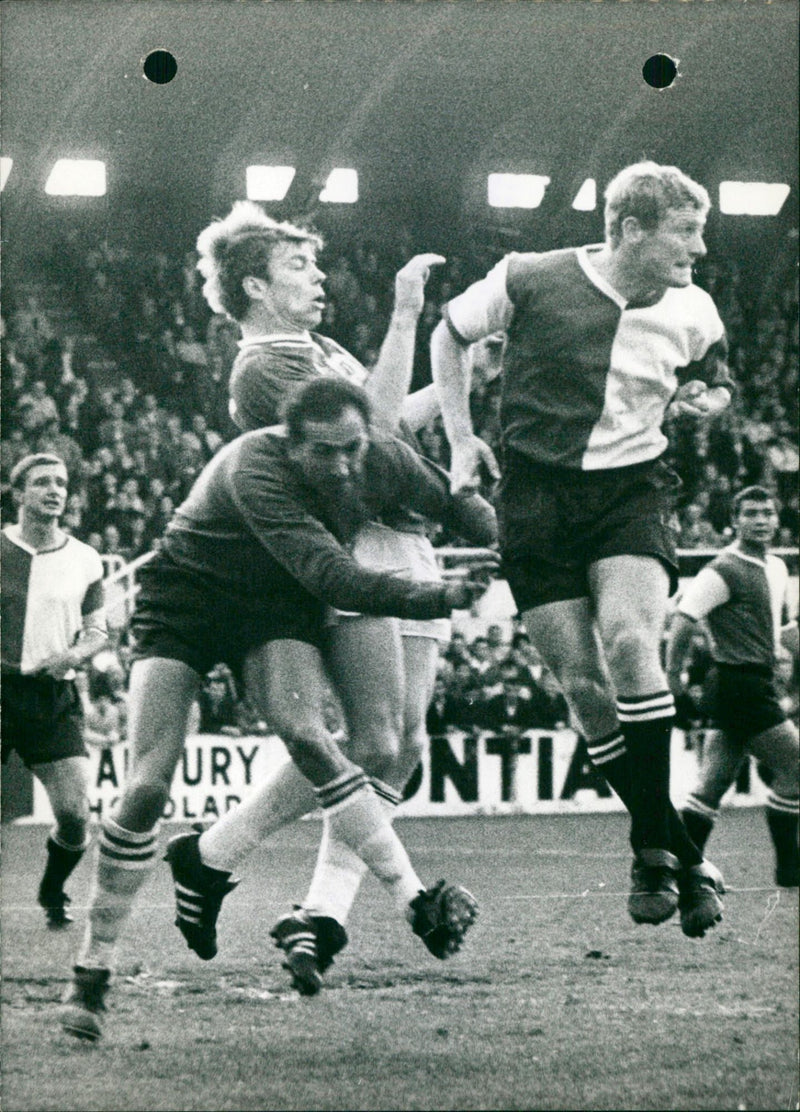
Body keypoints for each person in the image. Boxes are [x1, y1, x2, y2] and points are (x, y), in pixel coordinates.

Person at [60, 377, 495, 1040]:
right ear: (292, 446)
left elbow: (459, 508)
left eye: (353, 447)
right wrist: (442, 596)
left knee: (310, 736)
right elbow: (334, 578)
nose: (346, 464)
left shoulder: (383, 456)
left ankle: (412, 902)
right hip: (187, 599)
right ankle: (92, 970)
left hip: (272, 610)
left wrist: (520, 548)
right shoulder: (254, 466)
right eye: (326, 452)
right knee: (147, 785)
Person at [431, 161, 735, 937]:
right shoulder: (530, 276)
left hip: (630, 494)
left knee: (635, 644)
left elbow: (718, 379)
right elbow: (450, 331)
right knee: (584, 687)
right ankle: (683, 853)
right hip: (533, 501)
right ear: (632, 228)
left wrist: (707, 399)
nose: (698, 250)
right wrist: (463, 440)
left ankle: (648, 848)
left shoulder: (694, 309)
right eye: (686, 232)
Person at [186, 201, 462, 991]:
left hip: (404, 533)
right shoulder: (265, 365)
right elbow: (369, 430)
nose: (319, 278)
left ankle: (314, 914)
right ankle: (218, 857)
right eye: (299, 267)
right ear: (253, 286)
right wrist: (408, 314)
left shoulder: (322, 349)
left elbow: (398, 424)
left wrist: (461, 376)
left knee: (401, 745)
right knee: (371, 742)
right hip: (356, 541)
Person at [666, 486, 799, 888]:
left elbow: (778, 632)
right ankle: (790, 869)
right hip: (738, 682)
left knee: (712, 784)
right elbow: (684, 620)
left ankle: (680, 868)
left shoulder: (776, 568)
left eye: (767, 513)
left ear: (778, 520)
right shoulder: (722, 569)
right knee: (796, 766)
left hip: (753, 682)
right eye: (751, 513)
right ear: (733, 520)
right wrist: (673, 679)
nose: (761, 520)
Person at [1, 454, 108, 928]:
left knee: (73, 814)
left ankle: (52, 887)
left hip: (52, 697)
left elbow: (98, 632)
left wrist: (72, 656)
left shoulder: (85, 559)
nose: (55, 490)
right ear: (18, 493)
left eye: (61, 483)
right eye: (42, 482)